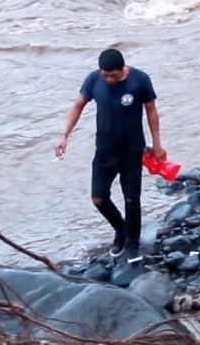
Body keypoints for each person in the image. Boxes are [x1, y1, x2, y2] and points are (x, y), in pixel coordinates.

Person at [55, 49, 165, 262]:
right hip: (104, 151)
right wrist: (64, 136)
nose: (108, 79)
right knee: (98, 198)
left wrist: (157, 144)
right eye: (105, 74)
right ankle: (120, 230)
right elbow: (77, 106)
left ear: (122, 69)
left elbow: (151, 110)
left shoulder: (140, 80)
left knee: (132, 199)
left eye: (112, 75)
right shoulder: (94, 80)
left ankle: (132, 243)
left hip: (132, 150)